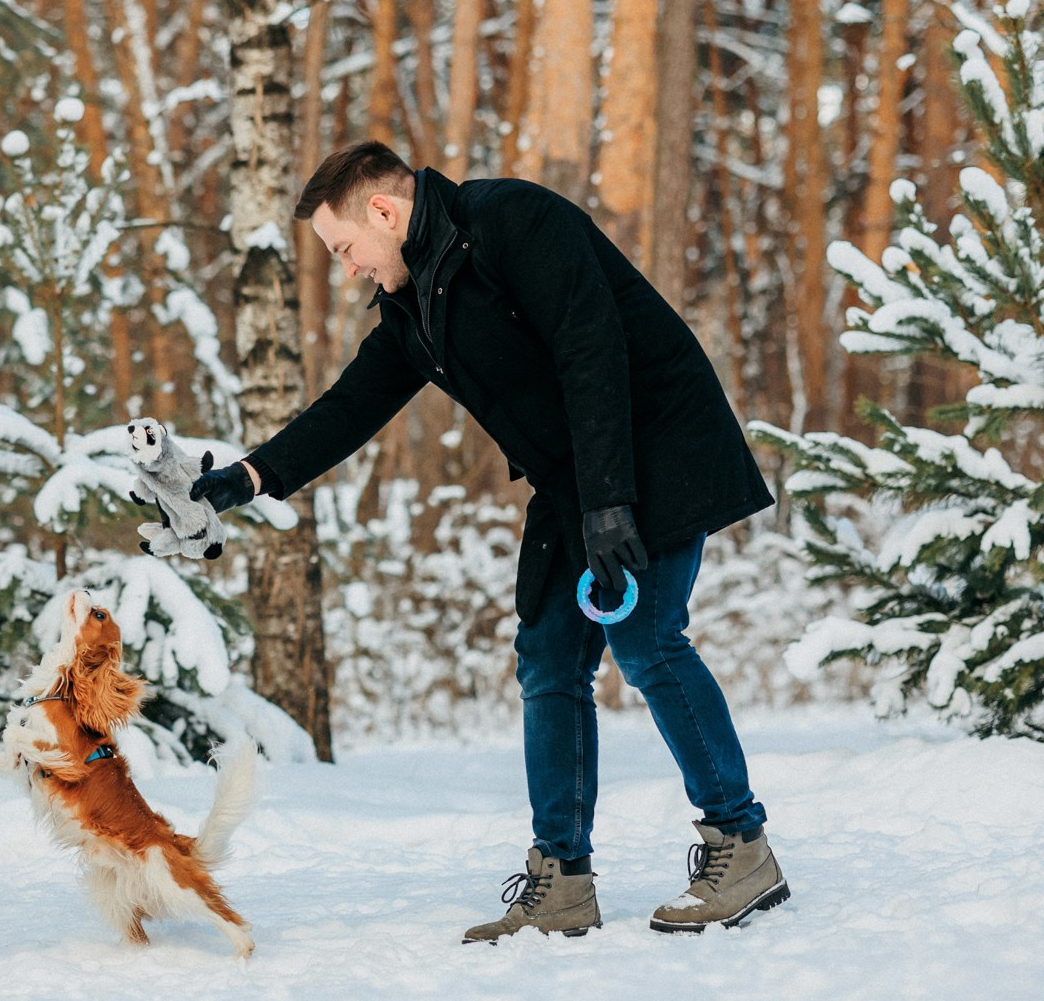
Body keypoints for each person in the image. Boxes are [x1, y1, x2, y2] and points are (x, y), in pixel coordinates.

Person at [192, 142, 790, 942]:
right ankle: (562, 878)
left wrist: (610, 504)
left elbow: (592, 347)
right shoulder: (414, 306)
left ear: (383, 211)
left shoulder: (512, 221)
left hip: (652, 448)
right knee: (548, 658)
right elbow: (350, 406)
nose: (349, 269)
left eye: (345, 249)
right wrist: (251, 476)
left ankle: (740, 844)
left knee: (646, 640)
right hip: (575, 477)